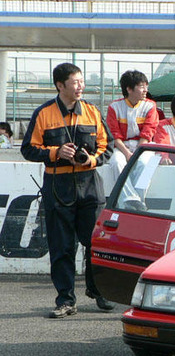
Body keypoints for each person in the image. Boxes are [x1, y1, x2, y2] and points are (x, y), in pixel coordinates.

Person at [21, 62, 114, 318]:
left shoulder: (93, 112)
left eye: (81, 81)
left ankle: (99, 292)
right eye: (75, 82)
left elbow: (108, 147)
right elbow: (28, 149)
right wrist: (55, 152)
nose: (80, 86)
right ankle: (65, 300)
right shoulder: (43, 113)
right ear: (60, 86)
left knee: (95, 243)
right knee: (61, 247)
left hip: (90, 186)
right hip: (58, 187)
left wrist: (91, 160)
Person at [103, 70, 159, 196]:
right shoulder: (114, 107)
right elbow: (114, 135)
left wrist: (137, 152)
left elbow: (148, 132)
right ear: (129, 89)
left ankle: (139, 199)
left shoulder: (150, 106)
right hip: (121, 147)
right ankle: (129, 199)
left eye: (146, 86)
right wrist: (127, 153)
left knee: (145, 163)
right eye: (141, 86)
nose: (145, 90)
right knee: (117, 162)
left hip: (143, 146)